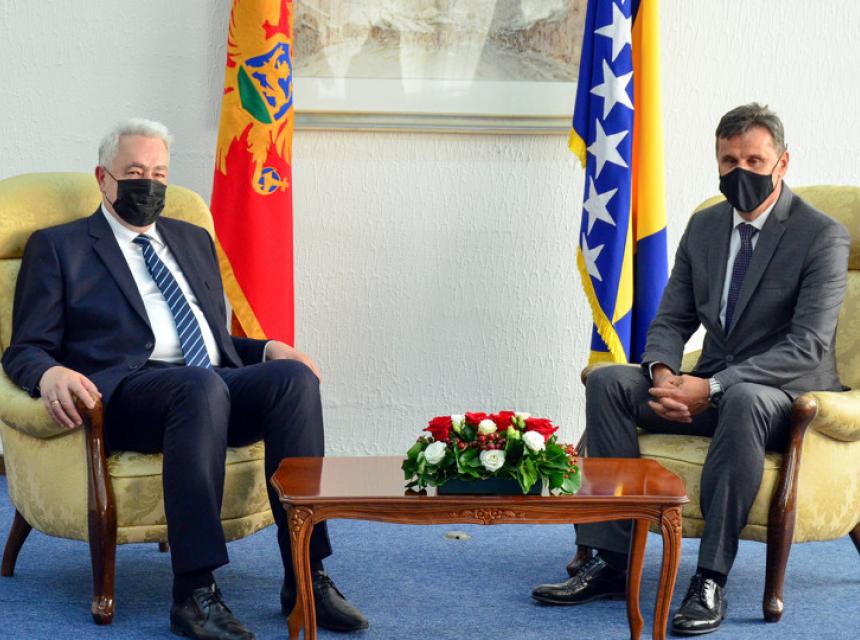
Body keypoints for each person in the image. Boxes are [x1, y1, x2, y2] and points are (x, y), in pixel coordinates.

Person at [2, 119, 368, 640]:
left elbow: (212, 340)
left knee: (292, 379)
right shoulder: (59, 247)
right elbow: (23, 348)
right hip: (129, 395)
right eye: (134, 173)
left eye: (158, 174)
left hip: (209, 385)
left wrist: (266, 348)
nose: (148, 185)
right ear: (104, 178)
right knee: (200, 386)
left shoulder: (192, 240)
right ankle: (194, 593)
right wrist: (51, 372)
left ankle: (306, 574)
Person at [531, 103, 850, 635]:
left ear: (782, 162)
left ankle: (709, 578)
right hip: (707, 385)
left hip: (783, 396)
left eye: (755, 160)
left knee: (743, 398)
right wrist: (662, 376)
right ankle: (611, 561)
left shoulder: (821, 235)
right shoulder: (705, 226)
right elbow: (671, 318)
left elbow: (806, 346)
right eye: (729, 161)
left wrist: (713, 385)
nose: (741, 171)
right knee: (610, 382)